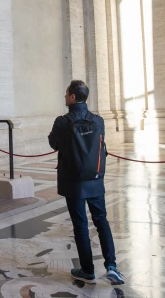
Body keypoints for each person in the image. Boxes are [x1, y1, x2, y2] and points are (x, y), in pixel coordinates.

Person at [48, 80, 124, 285]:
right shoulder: (98, 120)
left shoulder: (62, 121)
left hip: (73, 181)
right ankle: (112, 267)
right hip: (95, 179)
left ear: (73, 97)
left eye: (66, 94)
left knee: (80, 224)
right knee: (101, 221)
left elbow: (53, 143)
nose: (64, 97)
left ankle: (88, 270)